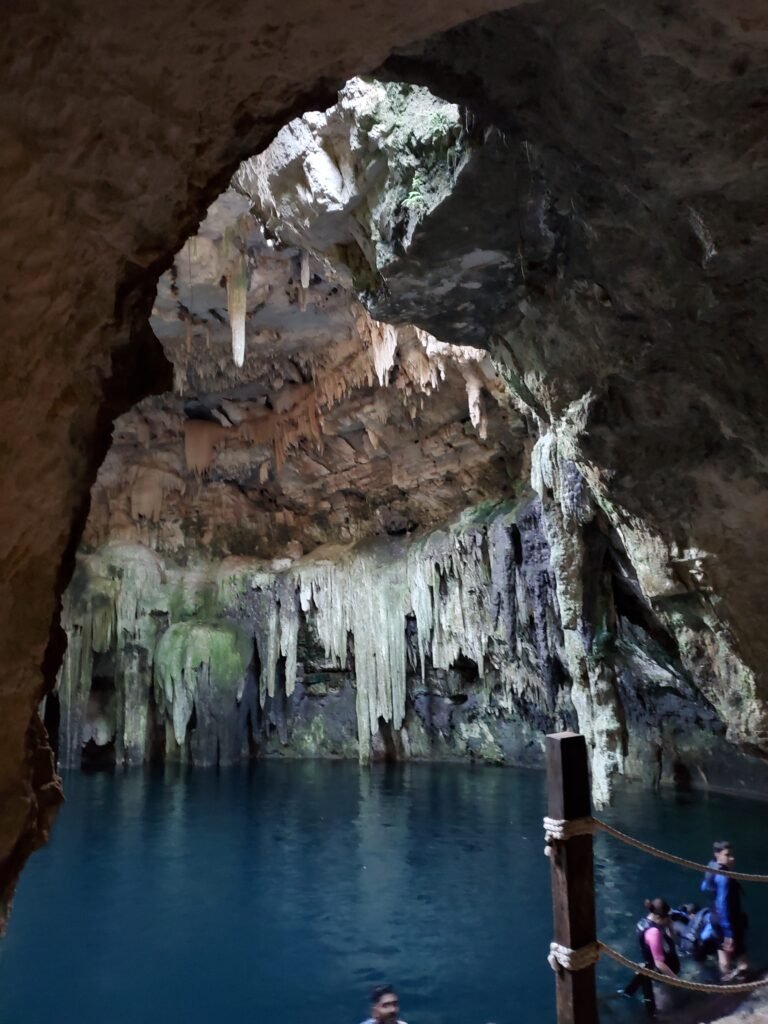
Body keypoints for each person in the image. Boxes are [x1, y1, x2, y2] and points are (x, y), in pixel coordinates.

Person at [621, 898, 680, 1017]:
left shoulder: (644, 921)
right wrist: (678, 981)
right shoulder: (654, 932)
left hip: (651, 965)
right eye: (667, 917)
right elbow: (659, 963)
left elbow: (672, 941)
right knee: (667, 1004)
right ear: (660, 917)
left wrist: (669, 927)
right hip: (662, 972)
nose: (669, 919)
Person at [701, 840, 749, 980]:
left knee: (722, 951)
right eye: (727, 855)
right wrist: (729, 932)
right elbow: (723, 904)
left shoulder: (710, 867)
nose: (732, 858)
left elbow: (703, 887)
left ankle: (726, 980)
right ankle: (744, 983)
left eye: (732, 855)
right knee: (741, 957)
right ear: (717, 854)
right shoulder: (724, 877)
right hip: (728, 919)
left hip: (714, 917)